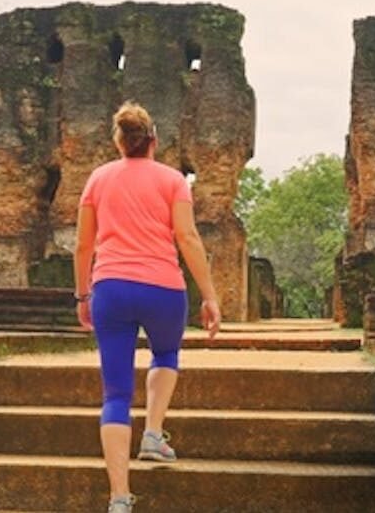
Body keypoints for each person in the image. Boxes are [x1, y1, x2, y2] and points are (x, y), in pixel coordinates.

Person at [73, 101, 222, 513]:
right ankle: (153, 433)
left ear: (118, 142)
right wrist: (209, 294)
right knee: (166, 354)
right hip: (163, 288)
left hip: (111, 288)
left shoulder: (98, 179)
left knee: (116, 395)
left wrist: (83, 295)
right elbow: (188, 238)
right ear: (153, 141)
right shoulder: (173, 180)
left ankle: (119, 496)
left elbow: (84, 245)